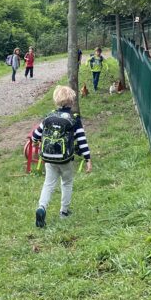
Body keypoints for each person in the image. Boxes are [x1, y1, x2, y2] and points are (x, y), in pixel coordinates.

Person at [32, 85, 92, 228]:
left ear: (56, 101)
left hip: (49, 158)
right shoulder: (74, 119)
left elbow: (35, 135)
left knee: (48, 184)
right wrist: (87, 158)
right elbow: (81, 140)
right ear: (72, 101)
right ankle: (64, 212)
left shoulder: (49, 116)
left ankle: (42, 207)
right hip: (66, 159)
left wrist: (35, 142)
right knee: (66, 183)